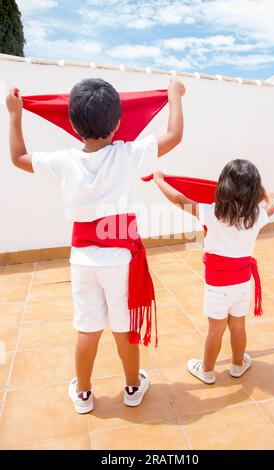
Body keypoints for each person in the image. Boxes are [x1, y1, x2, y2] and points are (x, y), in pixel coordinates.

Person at [6, 77, 185, 412]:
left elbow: (18, 157)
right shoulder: (128, 154)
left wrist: (15, 115)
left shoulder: (64, 161)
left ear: (73, 125)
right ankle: (133, 386)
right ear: (118, 122)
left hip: (83, 261)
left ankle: (85, 393)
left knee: (87, 329)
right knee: (123, 328)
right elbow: (174, 135)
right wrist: (174, 96)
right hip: (121, 260)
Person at [153, 160, 274, 384]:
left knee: (216, 330)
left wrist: (159, 179)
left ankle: (207, 371)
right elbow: (273, 204)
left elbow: (178, 199)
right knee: (238, 326)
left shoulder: (211, 213)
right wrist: (267, 193)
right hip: (242, 285)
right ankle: (238, 365)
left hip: (217, 287)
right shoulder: (256, 217)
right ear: (255, 192)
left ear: (222, 188)